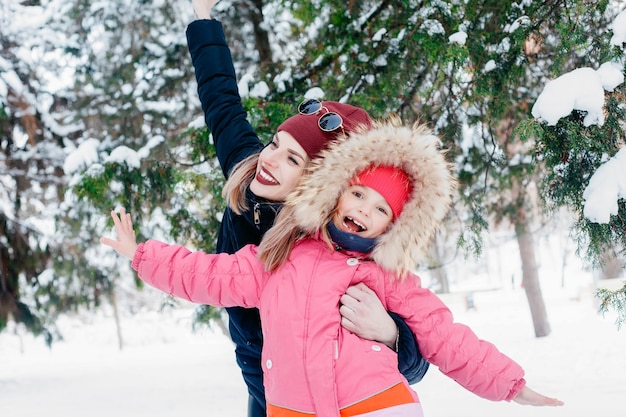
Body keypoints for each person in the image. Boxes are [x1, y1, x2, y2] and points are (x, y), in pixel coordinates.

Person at [101, 117, 564, 416]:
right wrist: (141, 254)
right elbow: (208, 275)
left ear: (395, 226)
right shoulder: (280, 256)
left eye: (381, 209)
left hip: (374, 405)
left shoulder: (388, 276)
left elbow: (444, 336)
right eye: (359, 194)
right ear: (337, 191)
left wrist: (510, 384)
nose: (363, 210)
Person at [185, 0, 428, 415]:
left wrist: (390, 334)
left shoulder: (339, 245)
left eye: (294, 160)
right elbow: (222, 104)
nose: (270, 160)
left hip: (328, 401)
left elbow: (421, 355)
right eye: (275, 143)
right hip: (263, 386)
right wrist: (202, 18)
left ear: (321, 186)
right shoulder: (248, 177)